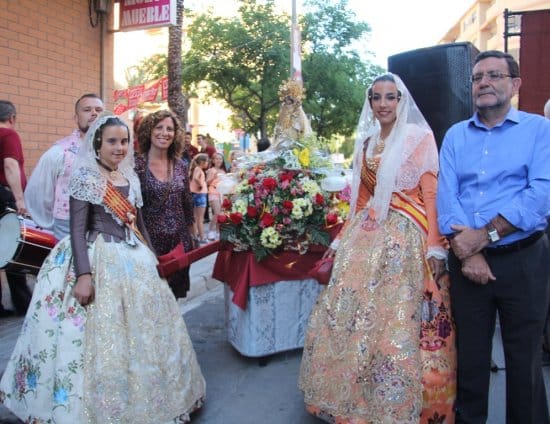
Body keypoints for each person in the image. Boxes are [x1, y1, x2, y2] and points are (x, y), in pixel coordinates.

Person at [0, 112, 206, 422]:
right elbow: (77, 229)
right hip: (96, 257)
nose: (119, 147)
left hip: (133, 257)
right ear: (97, 143)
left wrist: (152, 256)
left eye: (123, 141)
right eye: (111, 141)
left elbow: (139, 224)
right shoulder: (85, 177)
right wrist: (84, 275)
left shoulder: (129, 177)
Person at [298, 73, 456, 423]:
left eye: (390, 97)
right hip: (365, 236)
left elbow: (431, 194)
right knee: (350, 313)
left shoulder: (419, 138)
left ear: (402, 101)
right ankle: (350, 395)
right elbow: (362, 198)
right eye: (377, 98)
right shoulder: (367, 142)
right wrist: (341, 239)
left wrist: (436, 246)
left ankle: (392, 402)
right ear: (370, 102)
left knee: (393, 317)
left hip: (405, 237)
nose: (383, 104)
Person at [437, 50, 550, 423]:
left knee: (524, 362)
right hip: (468, 264)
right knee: (470, 359)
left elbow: (540, 195)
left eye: (494, 75)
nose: (484, 82)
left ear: (515, 84)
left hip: (524, 261)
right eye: (477, 77)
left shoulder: (539, 130)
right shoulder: (455, 135)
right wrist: (468, 255)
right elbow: (446, 198)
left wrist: (482, 236)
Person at [24, 93, 104, 239]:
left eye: (99, 110)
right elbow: (38, 191)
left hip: (104, 227)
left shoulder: (114, 151)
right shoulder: (60, 152)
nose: (94, 113)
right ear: (76, 118)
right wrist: (51, 221)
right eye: (87, 110)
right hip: (68, 225)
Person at [135, 109, 196, 299]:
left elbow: (187, 204)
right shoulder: (136, 165)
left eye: (170, 129)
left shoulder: (181, 166)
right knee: (150, 302)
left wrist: (192, 240)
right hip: (149, 246)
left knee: (173, 303)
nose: (164, 133)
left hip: (179, 244)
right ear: (149, 131)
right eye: (159, 127)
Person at [0, 100, 32, 317]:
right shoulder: (9, 135)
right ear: (12, 118)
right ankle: (23, 304)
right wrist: (20, 200)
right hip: (4, 196)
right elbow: (10, 165)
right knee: (14, 249)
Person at [206, 151, 228, 240]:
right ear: (213, 160)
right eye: (217, 159)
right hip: (213, 192)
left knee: (221, 214)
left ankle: (218, 232)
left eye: (220, 159)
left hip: (222, 194)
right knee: (217, 213)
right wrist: (213, 176)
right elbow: (207, 182)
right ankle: (211, 231)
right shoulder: (212, 170)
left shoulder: (223, 171)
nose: (219, 160)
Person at [189, 153, 209, 244]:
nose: (208, 163)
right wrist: (201, 185)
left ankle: (195, 236)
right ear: (202, 162)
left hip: (194, 194)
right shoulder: (198, 169)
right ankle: (202, 238)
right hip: (200, 195)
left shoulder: (194, 169)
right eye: (207, 161)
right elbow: (196, 178)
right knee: (199, 218)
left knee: (195, 217)